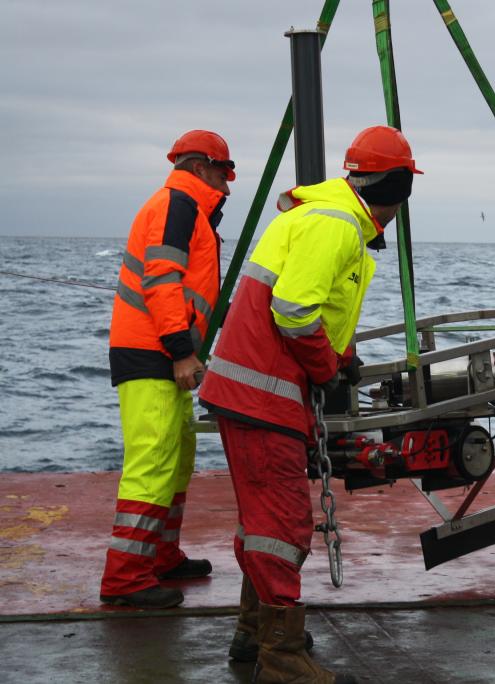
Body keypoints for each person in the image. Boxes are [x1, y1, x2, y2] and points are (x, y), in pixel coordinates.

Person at [199, 125, 420, 682]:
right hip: (263, 391)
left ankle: (254, 632)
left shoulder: (317, 215)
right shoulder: (336, 224)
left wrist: (337, 355)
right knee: (285, 525)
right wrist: (326, 366)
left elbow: (309, 306)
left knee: (260, 520)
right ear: (396, 187)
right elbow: (295, 310)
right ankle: (283, 659)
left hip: (248, 389)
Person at [100, 130, 235, 609]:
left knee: (176, 460)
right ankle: (125, 578)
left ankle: (160, 556)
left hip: (161, 350)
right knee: (153, 463)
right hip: (152, 352)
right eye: (223, 173)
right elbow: (161, 281)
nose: (227, 186)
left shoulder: (188, 210)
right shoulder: (177, 206)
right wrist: (181, 350)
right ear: (200, 168)